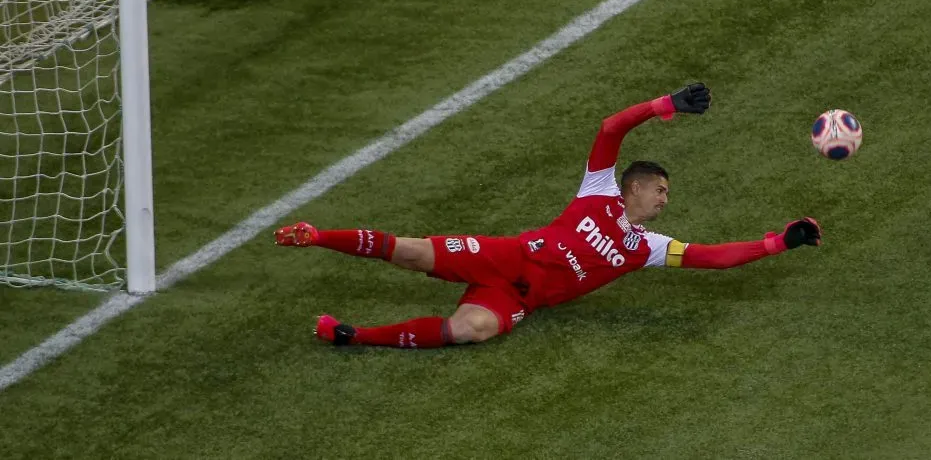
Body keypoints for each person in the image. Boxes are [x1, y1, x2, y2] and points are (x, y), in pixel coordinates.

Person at [274, 83, 822, 348]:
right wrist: (662, 106)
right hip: (504, 255)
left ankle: (354, 334)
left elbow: (714, 258)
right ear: (636, 185)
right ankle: (317, 235)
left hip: (518, 299)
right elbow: (611, 128)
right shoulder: (599, 188)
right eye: (660, 190)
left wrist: (779, 242)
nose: (664, 200)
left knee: (472, 330)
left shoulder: (647, 247)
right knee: (412, 251)